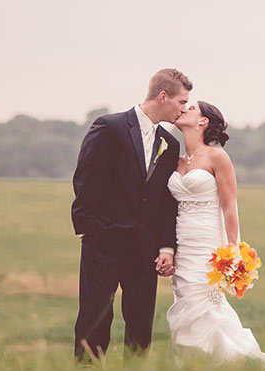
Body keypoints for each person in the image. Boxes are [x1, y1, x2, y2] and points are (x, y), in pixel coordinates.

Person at [70, 68, 191, 361]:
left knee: (140, 328)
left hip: (144, 250)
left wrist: (165, 246)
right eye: (181, 102)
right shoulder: (109, 127)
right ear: (163, 96)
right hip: (103, 244)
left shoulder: (170, 143)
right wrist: (96, 231)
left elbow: (164, 201)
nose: (184, 109)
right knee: (94, 322)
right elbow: (84, 181)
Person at [165, 100, 265, 366]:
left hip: (209, 242)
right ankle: (195, 362)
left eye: (191, 108)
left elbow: (230, 207)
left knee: (205, 302)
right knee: (185, 300)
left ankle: (232, 361)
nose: (184, 109)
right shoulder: (178, 159)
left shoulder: (217, 156)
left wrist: (234, 251)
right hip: (183, 242)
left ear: (203, 121)